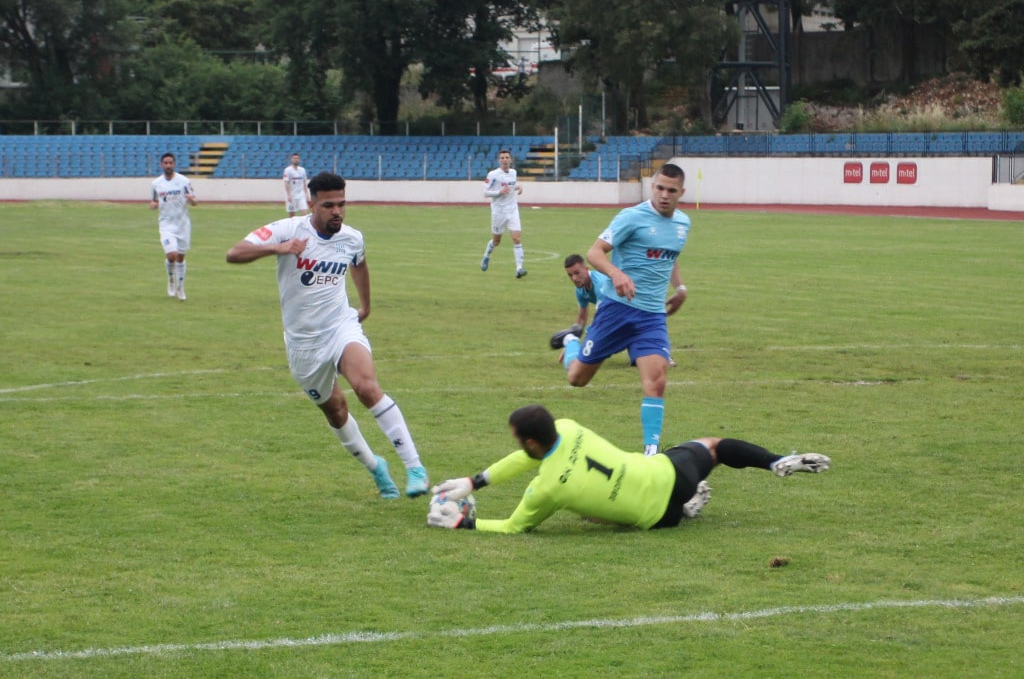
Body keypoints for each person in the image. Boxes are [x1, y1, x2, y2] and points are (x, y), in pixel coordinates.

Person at [225, 171, 429, 499]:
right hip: (303, 344)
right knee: (335, 410)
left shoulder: (352, 237)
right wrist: (280, 248)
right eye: (329, 205)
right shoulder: (287, 229)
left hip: (340, 326)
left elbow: (359, 263)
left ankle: (415, 467)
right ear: (312, 204)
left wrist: (364, 305)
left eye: (342, 204)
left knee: (366, 387)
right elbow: (234, 253)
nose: (337, 211)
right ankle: (376, 467)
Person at [427, 404, 830, 533]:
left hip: (660, 519)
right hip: (671, 474)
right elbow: (529, 457)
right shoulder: (567, 427)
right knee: (715, 446)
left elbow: (515, 526)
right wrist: (474, 481)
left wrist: (466, 523)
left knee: (587, 510)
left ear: (530, 442)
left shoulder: (545, 490)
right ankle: (774, 460)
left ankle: (686, 509)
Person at [550, 163, 690, 456]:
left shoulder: (682, 225)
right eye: (660, 188)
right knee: (577, 379)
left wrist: (679, 288)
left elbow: (671, 256)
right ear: (653, 187)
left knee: (657, 380)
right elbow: (594, 252)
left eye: (671, 190)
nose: (664, 195)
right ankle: (571, 341)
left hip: (652, 316)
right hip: (617, 310)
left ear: (681, 193)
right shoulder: (632, 217)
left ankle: (651, 454)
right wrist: (616, 274)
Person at [552, 254, 678, 368]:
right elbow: (581, 319)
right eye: (570, 275)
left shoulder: (600, 284)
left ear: (586, 269)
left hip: (633, 300)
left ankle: (663, 355)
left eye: (577, 273)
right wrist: (571, 344)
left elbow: (600, 318)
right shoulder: (580, 290)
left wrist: (585, 343)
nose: (574, 278)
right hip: (620, 308)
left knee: (637, 329)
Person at [150, 152, 196, 301]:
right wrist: (154, 204)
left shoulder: (183, 181)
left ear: (174, 164)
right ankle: (171, 281)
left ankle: (180, 287)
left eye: (170, 163)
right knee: (172, 255)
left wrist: (191, 200)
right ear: (161, 165)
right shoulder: (156, 183)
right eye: (165, 163)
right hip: (166, 224)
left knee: (181, 257)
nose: (168, 165)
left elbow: (194, 201)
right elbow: (155, 200)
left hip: (182, 225)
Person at [480, 149, 527, 278]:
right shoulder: (493, 174)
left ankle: (519, 269)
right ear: (499, 160)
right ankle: (486, 255)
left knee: (516, 238)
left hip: (512, 210)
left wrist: (518, 187)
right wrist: (499, 192)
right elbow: (485, 193)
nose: (505, 160)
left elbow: (510, 186)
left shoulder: (513, 173)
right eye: (502, 158)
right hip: (498, 212)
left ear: (510, 160)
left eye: (507, 157)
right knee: (496, 241)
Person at [283, 153, 310, 217]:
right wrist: (289, 194)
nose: (296, 160)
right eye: (294, 158)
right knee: (292, 216)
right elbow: (286, 183)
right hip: (292, 195)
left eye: (297, 158)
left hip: (301, 195)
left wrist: (306, 193)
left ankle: (304, 226)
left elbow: (304, 182)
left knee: (304, 213)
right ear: (291, 159)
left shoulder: (302, 170)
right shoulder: (287, 170)